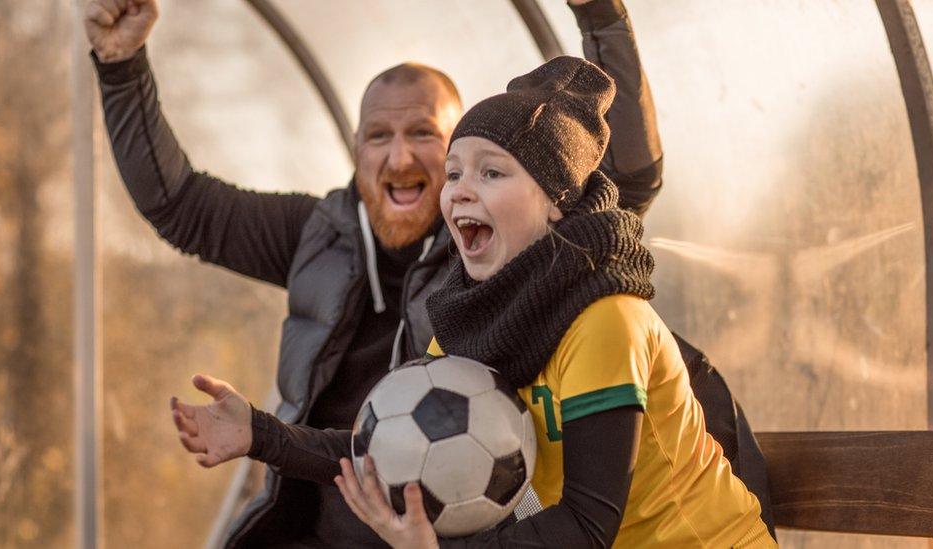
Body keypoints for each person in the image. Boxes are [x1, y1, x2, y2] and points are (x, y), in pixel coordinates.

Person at [84, 0, 683, 546]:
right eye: (379, 137)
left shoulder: (508, 255)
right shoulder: (318, 231)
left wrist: (600, 16)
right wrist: (120, 65)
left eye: (423, 133)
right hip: (309, 528)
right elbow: (180, 207)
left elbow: (623, 183)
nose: (399, 158)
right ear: (355, 150)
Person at [172, 56, 777, 548]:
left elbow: (589, 524)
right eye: (456, 173)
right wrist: (259, 434)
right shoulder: (471, 318)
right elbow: (383, 443)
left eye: (493, 173)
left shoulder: (605, 318)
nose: (461, 190)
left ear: (556, 201)